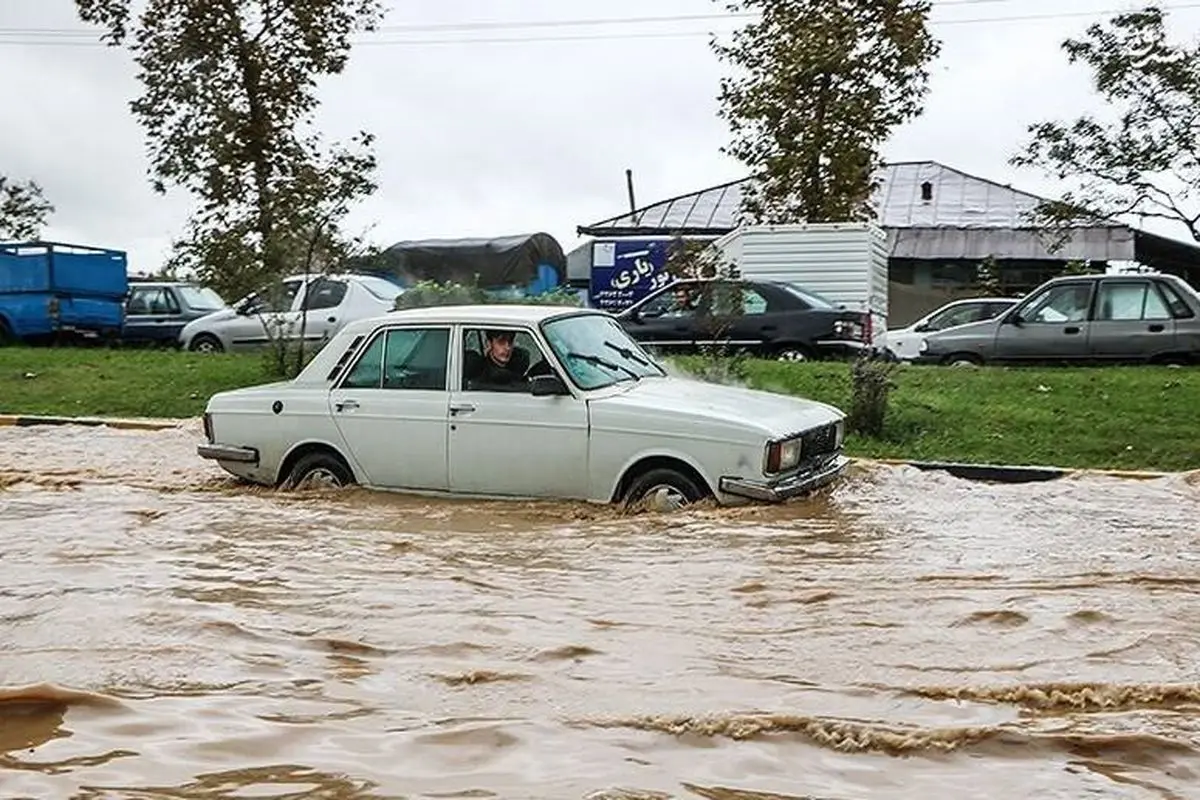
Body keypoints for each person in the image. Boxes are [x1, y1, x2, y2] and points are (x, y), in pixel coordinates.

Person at [463, 329, 531, 390]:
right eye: (501, 342)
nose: (507, 347)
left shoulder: (518, 367)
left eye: (510, 341)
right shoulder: (480, 371)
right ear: (489, 344)